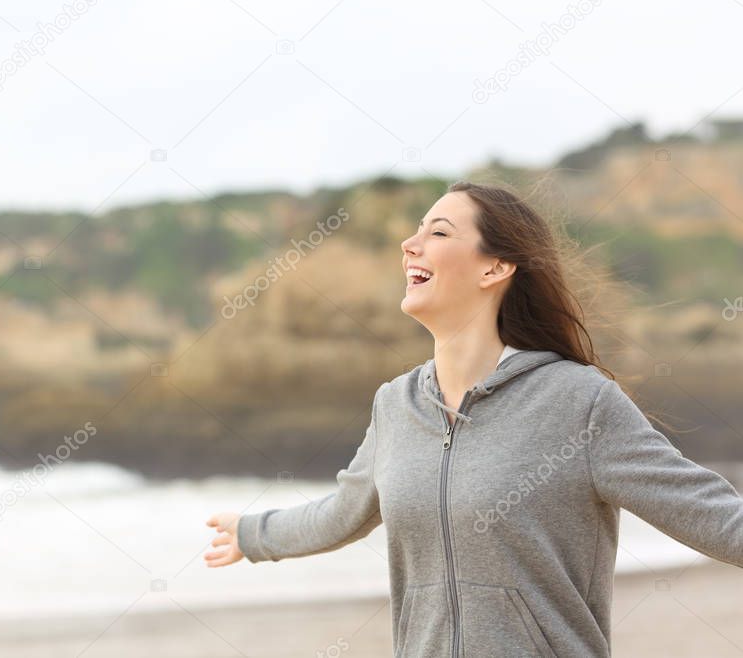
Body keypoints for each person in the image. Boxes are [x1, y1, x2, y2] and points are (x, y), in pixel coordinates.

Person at [203, 180, 743, 657]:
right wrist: (254, 533)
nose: (409, 244)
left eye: (438, 233)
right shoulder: (396, 405)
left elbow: (710, 513)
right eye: (416, 232)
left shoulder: (578, 401)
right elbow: (344, 511)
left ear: (496, 266)